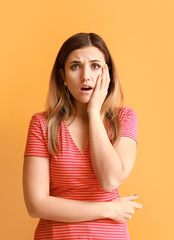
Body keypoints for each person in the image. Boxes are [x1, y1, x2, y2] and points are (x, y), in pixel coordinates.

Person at [23, 32, 143, 240]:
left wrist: (94, 113)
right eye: (75, 66)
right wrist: (107, 209)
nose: (85, 76)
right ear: (63, 75)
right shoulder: (42, 124)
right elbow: (36, 205)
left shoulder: (124, 118)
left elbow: (110, 180)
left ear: (108, 73)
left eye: (95, 66)